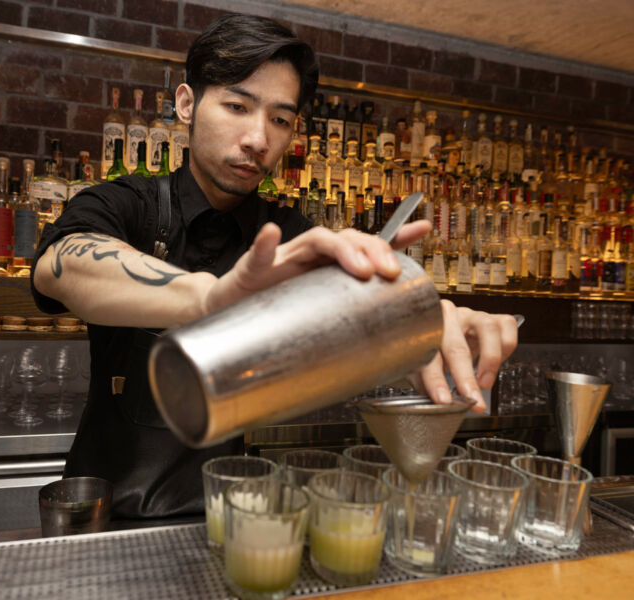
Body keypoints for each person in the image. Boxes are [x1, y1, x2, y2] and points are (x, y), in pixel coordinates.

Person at [31, 14, 517, 519]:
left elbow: (363, 311)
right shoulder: (127, 203)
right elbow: (60, 264)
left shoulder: (293, 236)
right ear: (186, 104)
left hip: (226, 519)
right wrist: (209, 299)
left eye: (280, 120)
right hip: (101, 518)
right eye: (237, 106)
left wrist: (420, 323)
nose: (258, 138)